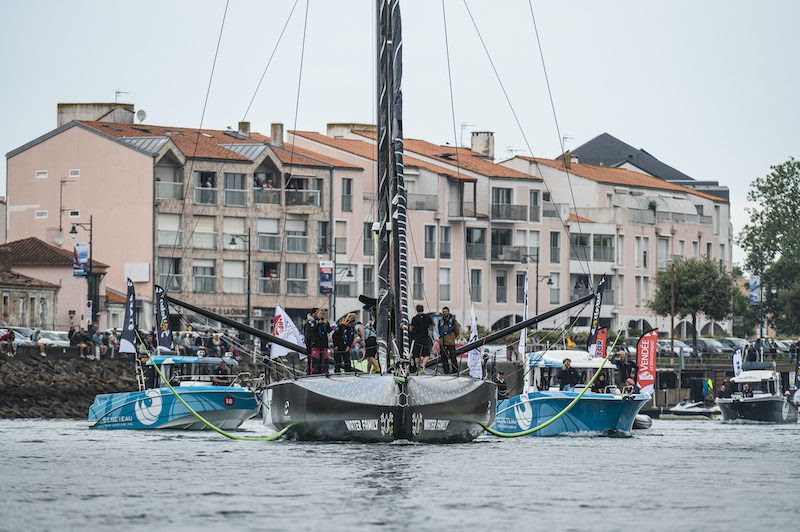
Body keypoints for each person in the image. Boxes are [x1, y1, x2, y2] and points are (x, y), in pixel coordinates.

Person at [304, 308, 332, 375]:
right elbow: (312, 331)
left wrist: (326, 324)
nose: (321, 315)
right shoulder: (313, 322)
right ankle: (314, 372)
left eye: (322, 314)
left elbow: (329, 330)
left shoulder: (325, 322)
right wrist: (318, 324)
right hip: (315, 344)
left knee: (324, 359)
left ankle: (324, 371)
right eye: (319, 314)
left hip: (323, 343)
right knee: (315, 359)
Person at [408, 305, 434, 373]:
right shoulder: (427, 317)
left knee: (417, 354)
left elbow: (410, 329)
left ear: (416, 310)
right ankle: (423, 364)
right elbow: (433, 324)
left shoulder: (414, 318)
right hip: (425, 338)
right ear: (423, 309)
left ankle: (417, 367)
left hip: (417, 338)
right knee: (427, 354)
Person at [437, 307, 461, 374]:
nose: (444, 313)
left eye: (445, 311)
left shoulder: (453, 321)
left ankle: (455, 371)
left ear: (448, 312)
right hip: (442, 342)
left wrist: (452, 337)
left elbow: (457, 331)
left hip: (450, 342)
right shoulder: (440, 321)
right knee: (444, 358)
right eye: (443, 312)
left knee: (453, 358)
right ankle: (446, 371)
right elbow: (439, 330)